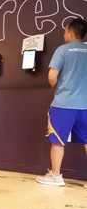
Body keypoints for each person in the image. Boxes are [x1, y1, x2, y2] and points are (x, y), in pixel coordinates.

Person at [36, 18, 87, 188]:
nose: (64, 35)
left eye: (65, 32)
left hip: (63, 104)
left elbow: (52, 76)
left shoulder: (63, 50)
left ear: (71, 33)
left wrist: (55, 87)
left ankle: (56, 176)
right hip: (85, 105)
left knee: (58, 141)